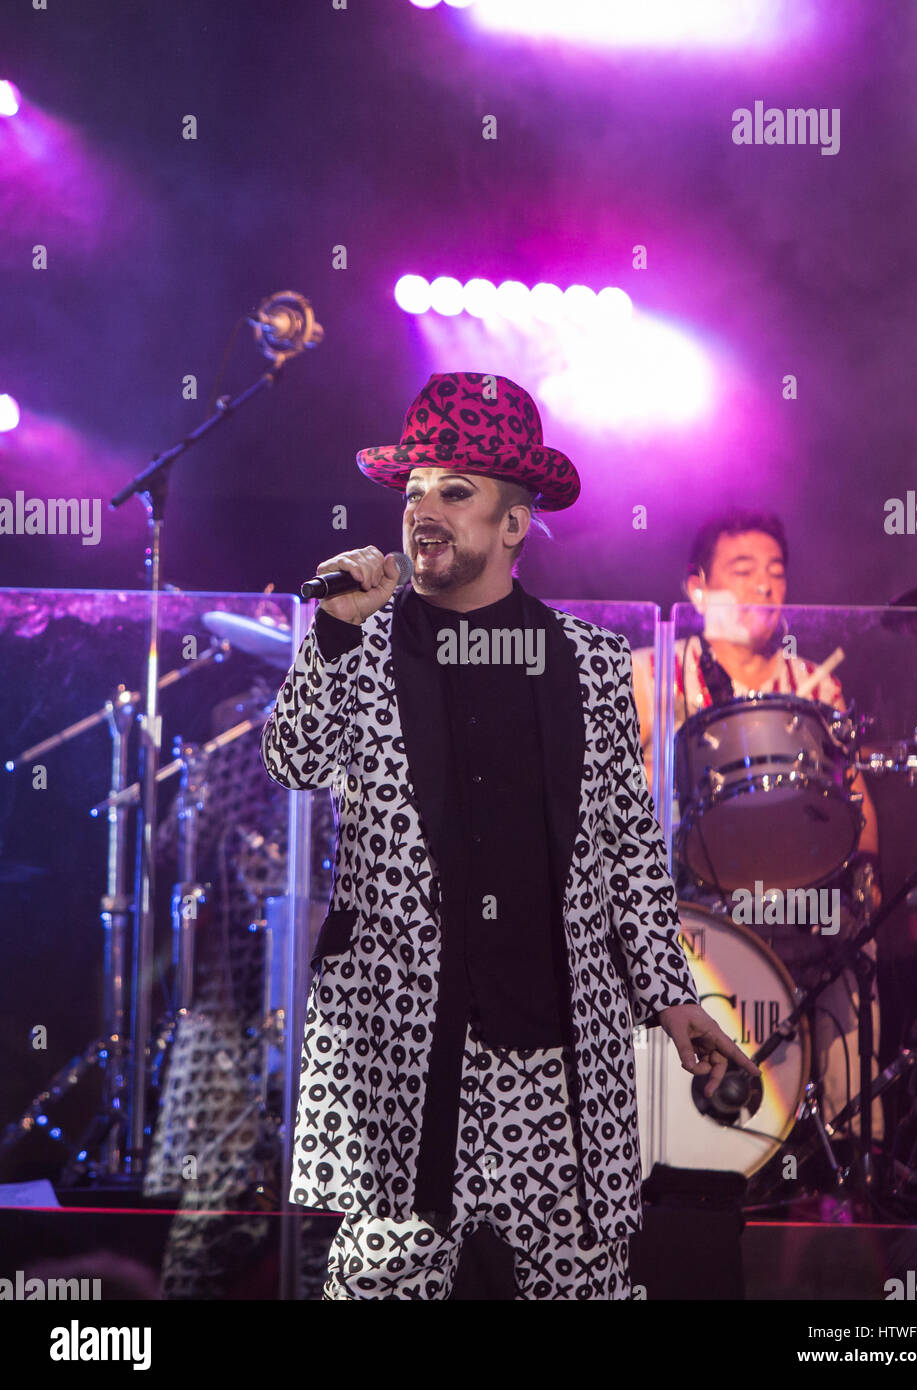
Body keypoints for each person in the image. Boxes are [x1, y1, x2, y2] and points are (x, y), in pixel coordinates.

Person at [261, 371, 759, 1299]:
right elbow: (294, 759)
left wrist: (672, 998)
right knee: (377, 1285)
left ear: (514, 526)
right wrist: (329, 635)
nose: (424, 510)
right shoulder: (361, 646)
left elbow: (628, 855)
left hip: (554, 1057)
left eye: (456, 490)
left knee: (584, 1291)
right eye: (414, 489)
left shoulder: (588, 663)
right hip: (407, 1059)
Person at [632, 510, 882, 1146]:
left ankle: (851, 1152)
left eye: (776, 574)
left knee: (855, 939)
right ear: (698, 587)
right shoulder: (652, 673)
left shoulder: (814, 685)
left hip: (801, 899)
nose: (764, 588)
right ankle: (664, 1150)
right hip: (686, 902)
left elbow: (856, 800)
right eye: (743, 573)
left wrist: (868, 878)